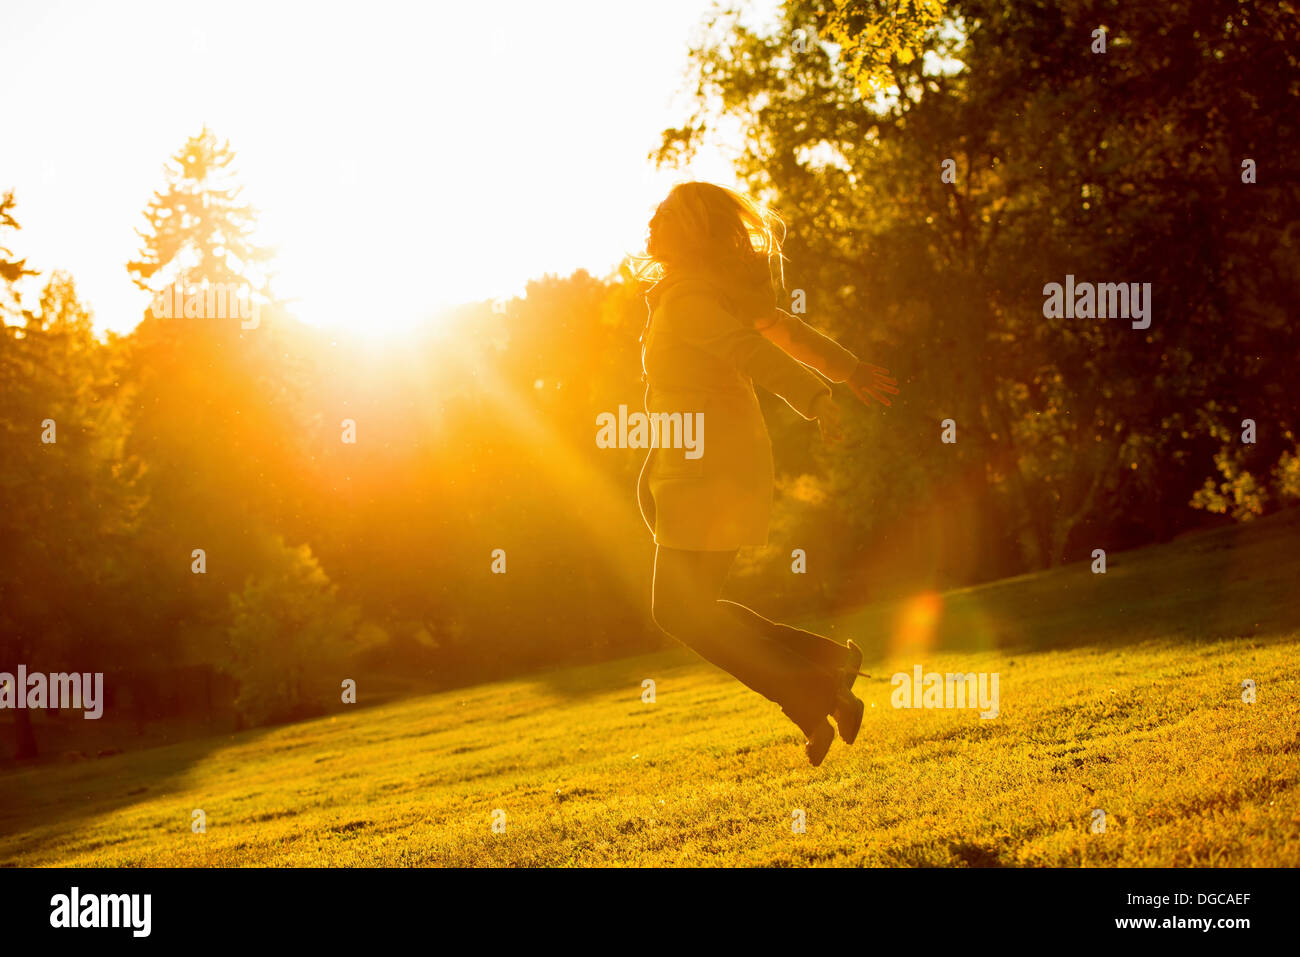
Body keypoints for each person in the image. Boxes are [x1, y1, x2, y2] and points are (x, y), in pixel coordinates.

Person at [635, 182, 898, 766]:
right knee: (692, 608)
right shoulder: (696, 292)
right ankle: (825, 671)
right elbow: (782, 331)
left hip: (710, 469)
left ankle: (814, 687)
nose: (651, 221)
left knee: (680, 611)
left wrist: (819, 395)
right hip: (701, 464)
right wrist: (844, 370)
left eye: (665, 216)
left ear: (692, 232)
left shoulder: (691, 300)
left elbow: (754, 351)